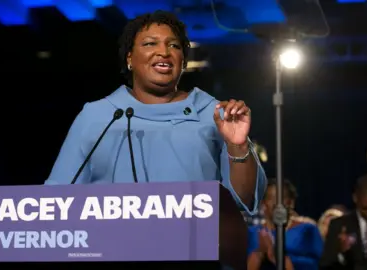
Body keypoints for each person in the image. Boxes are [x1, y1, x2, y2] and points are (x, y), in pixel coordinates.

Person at [44, 10, 266, 214]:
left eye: (174, 46)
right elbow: (56, 199)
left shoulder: (215, 114)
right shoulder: (97, 116)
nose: (163, 52)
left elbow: (243, 201)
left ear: (183, 61)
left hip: (194, 251)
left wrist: (238, 145)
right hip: (112, 251)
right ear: (130, 58)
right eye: (150, 44)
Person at [247, 179, 323, 270]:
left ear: (291, 203)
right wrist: (259, 253)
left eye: (281, 198)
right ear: (263, 203)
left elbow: (317, 264)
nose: (276, 203)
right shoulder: (252, 232)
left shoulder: (307, 229)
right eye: (271, 198)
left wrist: (278, 257)